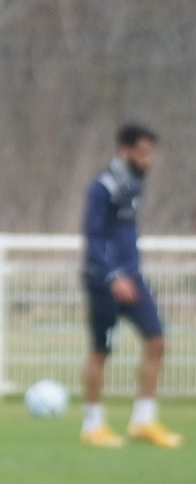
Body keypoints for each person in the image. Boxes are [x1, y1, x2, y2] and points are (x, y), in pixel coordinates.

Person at [78, 123, 182, 448]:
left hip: (133, 279)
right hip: (104, 282)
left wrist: (130, 272)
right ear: (125, 150)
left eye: (151, 154)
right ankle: (93, 426)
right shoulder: (102, 187)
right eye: (143, 153)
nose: (148, 160)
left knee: (157, 340)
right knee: (101, 351)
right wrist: (113, 276)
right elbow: (92, 237)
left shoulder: (135, 184)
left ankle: (143, 421)